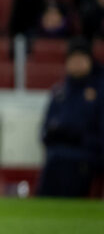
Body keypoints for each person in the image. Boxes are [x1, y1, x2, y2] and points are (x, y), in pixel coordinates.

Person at [37, 38, 103, 197]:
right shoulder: (60, 92)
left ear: (90, 61)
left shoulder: (99, 92)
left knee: (69, 163)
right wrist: (54, 134)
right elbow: (45, 128)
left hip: (86, 155)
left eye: (81, 58)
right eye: (73, 58)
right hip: (57, 154)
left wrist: (78, 137)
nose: (77, 63)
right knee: (54, 160)